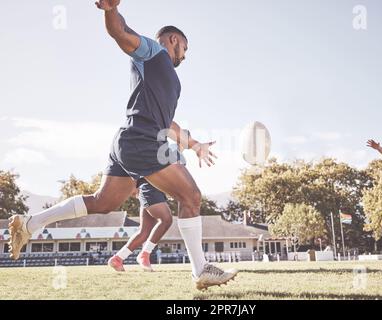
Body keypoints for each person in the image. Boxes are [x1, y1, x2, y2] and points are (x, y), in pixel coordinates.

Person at [8, 0, 237, 290]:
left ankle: (30, 224)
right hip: (141, 141)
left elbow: (169, 124)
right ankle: (201, 269)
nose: (184, 56)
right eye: (185, 49)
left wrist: (194, 144)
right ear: (174, 40)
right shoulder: (154, 53)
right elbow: (120, 32)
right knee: (190, 196)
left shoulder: (166, 78)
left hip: (127, 141)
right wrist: (110, 9)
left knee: (103, 202)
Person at [108, 144, 184, 272]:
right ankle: (145, 254)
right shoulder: (169, 150)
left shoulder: (174, 152)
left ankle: (118, 258)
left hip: (152, 190)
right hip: (150, 189)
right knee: (166, 219)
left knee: (144, 232)